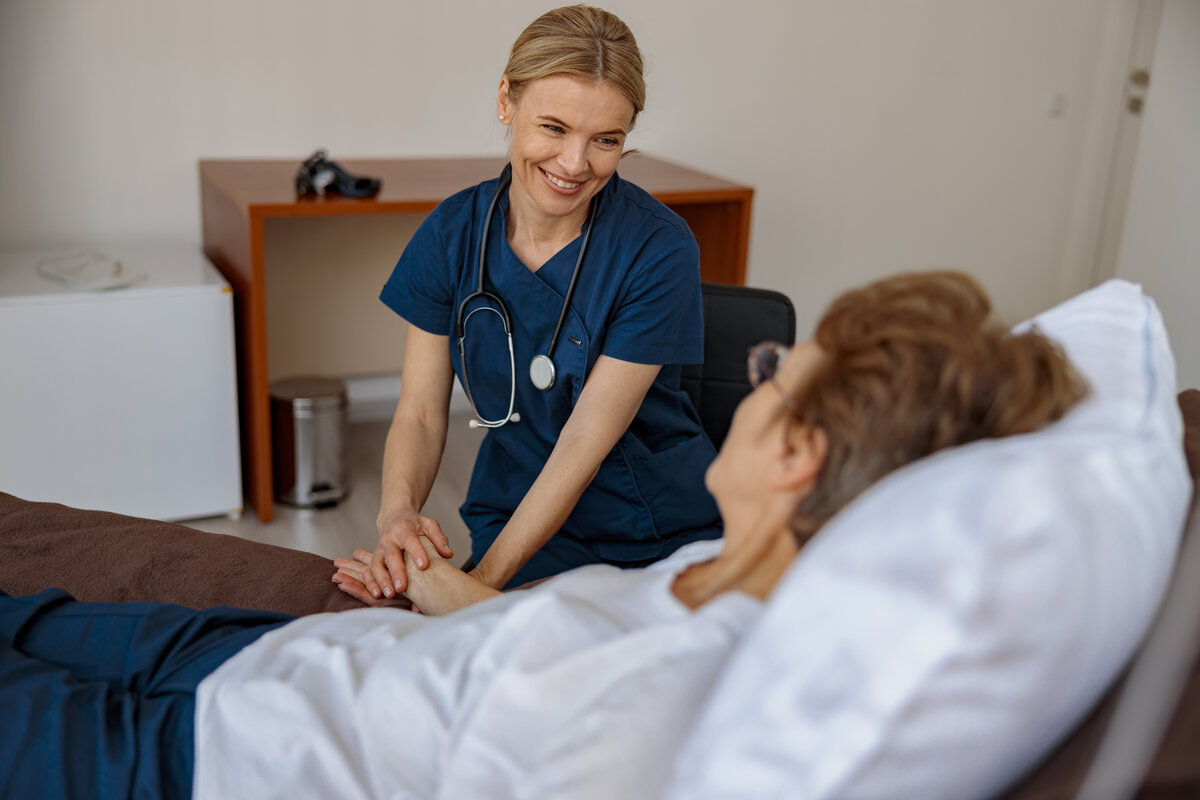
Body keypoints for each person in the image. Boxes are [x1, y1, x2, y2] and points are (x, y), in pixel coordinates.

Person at [0, 271, 1086, 799]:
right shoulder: (717, 573)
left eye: (772, 380)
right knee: (32, 612)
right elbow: (534, 650)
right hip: (276, 659)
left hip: (222, 758)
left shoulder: (660, 708)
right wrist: (429, 573)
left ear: (797, 453)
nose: (750, 388)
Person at [344, 4, 725, 601]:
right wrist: (397, 519)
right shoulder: (454, 232)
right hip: (514, 505)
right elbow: (419, 413)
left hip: (646, 525)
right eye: (554, 128)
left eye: (606, 140)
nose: (575, 165)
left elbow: (584, 440)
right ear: (506, 102)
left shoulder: (658, 248)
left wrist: (477, 592)